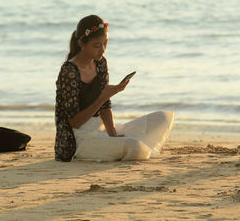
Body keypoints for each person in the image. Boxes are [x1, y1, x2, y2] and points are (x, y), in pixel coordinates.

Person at [54, 14, 174, 162]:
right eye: (97, 45)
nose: (103, 49)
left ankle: (112, 146)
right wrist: (103, 97)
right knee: (134, 146)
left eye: (106, 43)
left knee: (162, 118)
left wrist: (113, 135)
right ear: (82, 44)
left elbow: (105, 106)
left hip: (100, 131)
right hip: (78, 141)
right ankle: (114, 149)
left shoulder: (100, 63)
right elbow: (74, 123)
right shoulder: (69, 72)